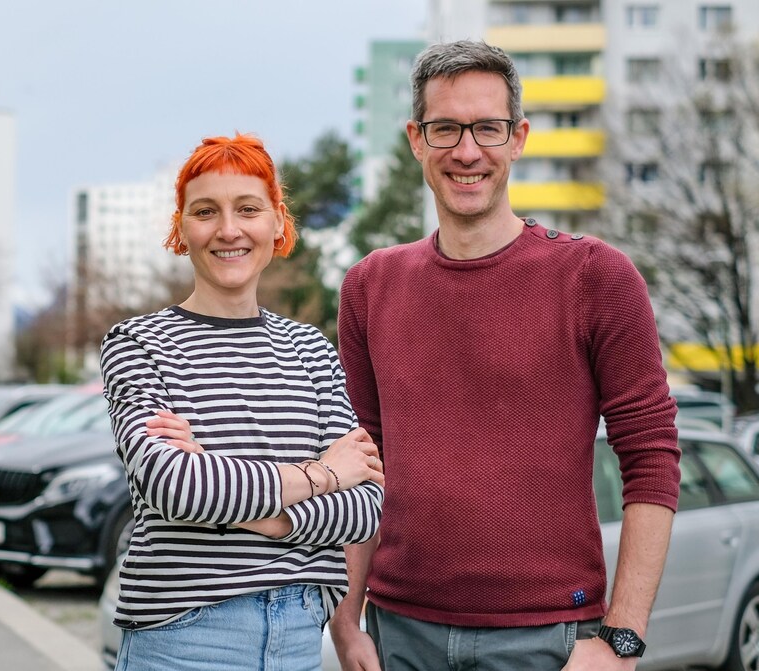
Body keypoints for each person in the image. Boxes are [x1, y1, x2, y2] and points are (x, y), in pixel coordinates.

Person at [330, 40, 680, 671]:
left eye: (487, 128)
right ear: (416, 139)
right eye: (446, 129)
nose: (467, 152)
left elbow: (652, 455)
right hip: (399, 634)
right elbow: (363, 460)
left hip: (551, 639)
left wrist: (621, 640)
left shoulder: (596, 277)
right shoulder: (369, 285)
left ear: (518, 137)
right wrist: (347, 622)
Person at [100, 134, 384, 671]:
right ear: (181, 228)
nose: (228, 229)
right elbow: (175, 486)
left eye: (248, 209)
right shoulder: (139, 344)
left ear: (277, 223)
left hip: (300, 635)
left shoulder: (311, 350)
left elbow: (365, 507)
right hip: (184, 638)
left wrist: (234, 496)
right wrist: (323, 474)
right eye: (206, 211)